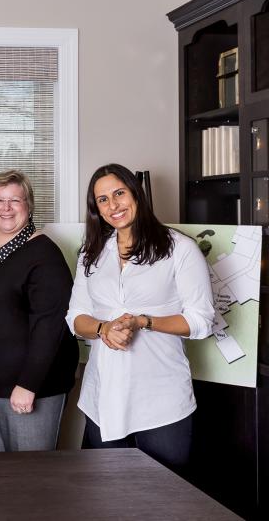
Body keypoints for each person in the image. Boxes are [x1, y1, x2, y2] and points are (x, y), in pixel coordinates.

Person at [66, 163, 214, 473]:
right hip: (103, 398)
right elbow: (76, 316)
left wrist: (143, 321)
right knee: (107, 502)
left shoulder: (180, 249)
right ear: (96, 209)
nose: (113, 205)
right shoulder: (91, 253)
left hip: (162, 402)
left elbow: (201, 321)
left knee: (165, 502)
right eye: (103, 200)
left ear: (136, 193)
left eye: (119, 193)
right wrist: (103, 328)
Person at [0, 170, 78, 452]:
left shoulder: (44, 253)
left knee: (29, 477)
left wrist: (29, 384)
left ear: (29, 206)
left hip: (29, 386)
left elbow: (50, 325)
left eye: (15, 200)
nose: (6, 208)